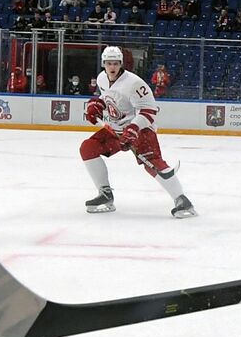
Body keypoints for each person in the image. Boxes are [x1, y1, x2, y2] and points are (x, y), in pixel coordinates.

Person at [79, 46, 196, 219]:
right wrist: (97, 105)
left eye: (116, 63)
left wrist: (133, 129)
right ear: (104, 63)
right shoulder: (102, 78)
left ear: (121, 64)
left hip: (141, 129)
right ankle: (105, 194)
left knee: (152, 163)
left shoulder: (134, 83)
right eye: (109, 63)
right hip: (116, 129)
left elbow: (149, 111)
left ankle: (182, 199)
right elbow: (109, 97)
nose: (112, 67)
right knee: (88, 148)